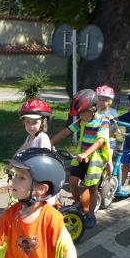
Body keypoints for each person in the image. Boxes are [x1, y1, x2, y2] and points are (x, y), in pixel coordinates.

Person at [51, 89, 110, 227]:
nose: (81, 116)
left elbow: (100, 141)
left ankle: (91, 214)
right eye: (80, 114)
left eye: (83, 113)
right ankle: (78, 204)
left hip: (94, 160)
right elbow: (66, 131)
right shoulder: (81, 121)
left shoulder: (103, 122)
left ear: (93, 109)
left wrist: (86, 153)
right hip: (80, 157)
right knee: (72, 180)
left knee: (92, 188)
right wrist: (50, 142)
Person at [94, 85, 118, 177]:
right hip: (97, 139)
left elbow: (116, 126)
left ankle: (110, 178)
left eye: (105, 100)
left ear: (109, 101)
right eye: (100, 100)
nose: (101, 102)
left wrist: (113, 120)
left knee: (108, 160)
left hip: (109, 140)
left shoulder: (112, 112)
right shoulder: (95, 111)